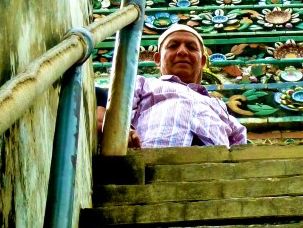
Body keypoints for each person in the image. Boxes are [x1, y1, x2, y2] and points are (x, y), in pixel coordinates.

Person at [96, 24, 246, 149]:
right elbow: (116, 115)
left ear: (202, 61)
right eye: (173, 46)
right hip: (154, 161)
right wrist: (122, 132)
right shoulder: (142, 84)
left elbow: (239, 141)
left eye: (191, 47)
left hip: (216, 169)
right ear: (158, 59)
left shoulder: (218, 105)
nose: (182, 51)